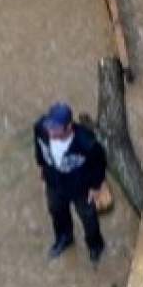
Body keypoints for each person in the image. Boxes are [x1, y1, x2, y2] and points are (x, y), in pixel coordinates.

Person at [33, 102, 107, 263]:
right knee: (56, 210)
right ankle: (64, 238)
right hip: (53, 181)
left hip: (81, 186)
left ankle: (95, 246)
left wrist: (96, 187)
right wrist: (40, 165)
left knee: (88, 217)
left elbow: (99, 164)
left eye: (55, 128)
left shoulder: (86, 142)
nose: (50, 131)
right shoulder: (41, 128)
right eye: (49, 126)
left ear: (68, 128)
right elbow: (38, 147)